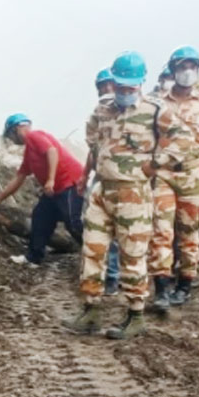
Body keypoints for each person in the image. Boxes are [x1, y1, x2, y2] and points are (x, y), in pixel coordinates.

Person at [65, 51, 182, 340]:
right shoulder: (103, 108)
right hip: (102, 190)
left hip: (133, 194)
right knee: (92, 250)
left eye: (130, 87)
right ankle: (91, 309)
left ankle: (136, 314)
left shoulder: (156, 111)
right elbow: (92, 139)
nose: (124, 91)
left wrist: (151, 166)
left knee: (133, 254)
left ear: (140, 83)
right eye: (120, 86)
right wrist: (92, 169)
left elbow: (180, 146)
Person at [148, 46, 199, 308]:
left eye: (192, 67)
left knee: (189, 231)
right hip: (163, 174)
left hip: (193, 175)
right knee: (161, 231)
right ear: (173, 70)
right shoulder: (157, 103)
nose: (187, 72)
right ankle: (161, 287)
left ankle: (184, 285)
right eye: (183, 67)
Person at [0, 114, 86, 265]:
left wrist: (50, 180)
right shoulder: (29, 152)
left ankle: (98, 254)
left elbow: (52, 151)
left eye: (10, 135)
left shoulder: (34, 136)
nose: (11, 140)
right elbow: (19, 178)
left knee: (72, 222)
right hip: (54, 190)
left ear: (16, 129)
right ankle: (33, 257)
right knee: (40, 217)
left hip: (70, 183)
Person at [89, 69, 120, 294]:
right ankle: (101, 276)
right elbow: (94, 148)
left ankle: (114, 276)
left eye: (110, 84)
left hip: (126, 180)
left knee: (121, 230)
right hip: (101, 178)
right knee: (96, 226)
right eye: (103, 86)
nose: (107, 89)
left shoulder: (132, 110)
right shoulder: (97, 114)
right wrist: (85, 176)